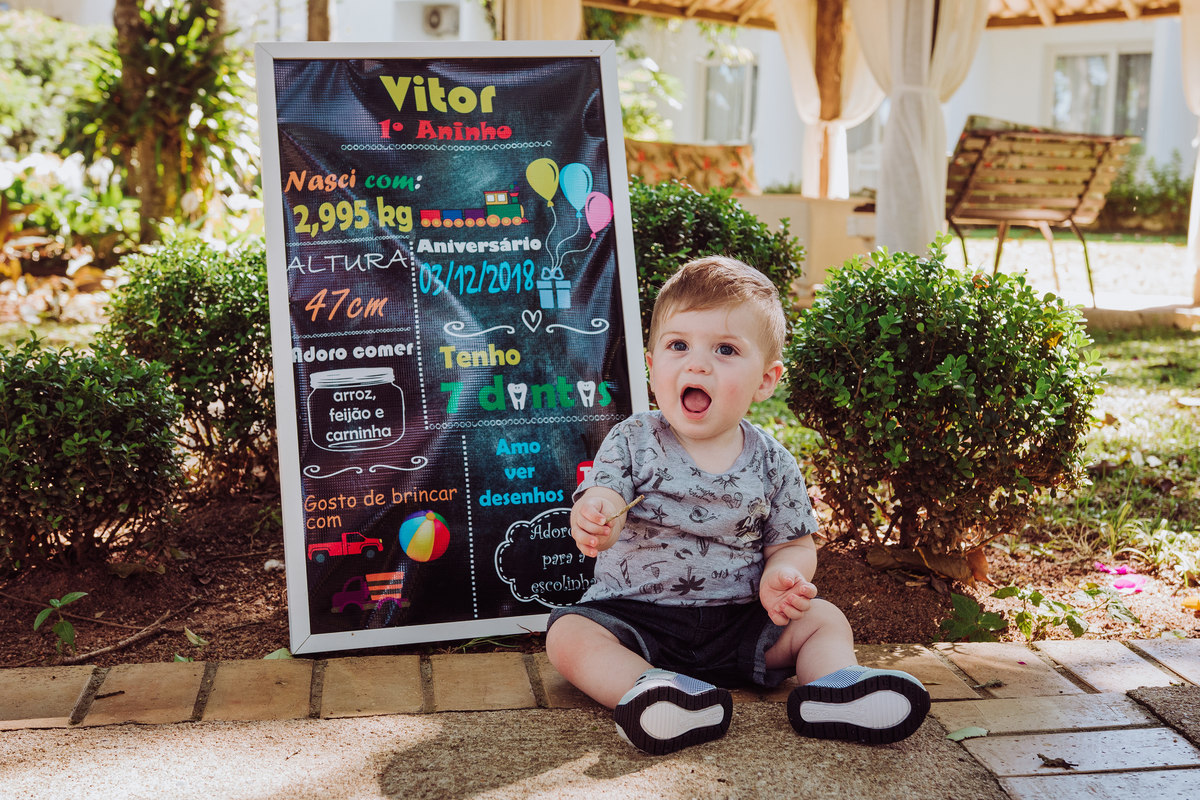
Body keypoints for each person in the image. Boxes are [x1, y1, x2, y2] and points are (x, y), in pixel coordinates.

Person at [545, 255, 929, 755]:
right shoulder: (633, 439)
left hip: (743, 623)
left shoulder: (773, 461)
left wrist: (785, 576)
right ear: (652, 363)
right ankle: (650, 690)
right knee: (569, 635)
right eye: (678, 345)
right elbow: (606, 492)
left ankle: (836, 688)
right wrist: (597, 515)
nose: (697, 363)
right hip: (638, 620)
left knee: (824, 619)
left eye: (725, 349)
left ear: (766, 380)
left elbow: (793, 542)